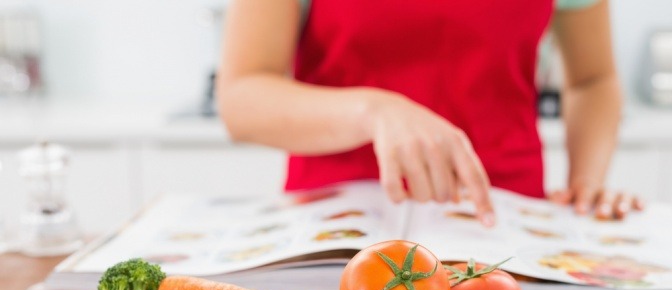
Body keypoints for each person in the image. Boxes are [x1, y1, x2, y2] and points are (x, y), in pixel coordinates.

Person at [215, 0, 642, 227]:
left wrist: (586, 181)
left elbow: (593, 80)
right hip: (334, 227)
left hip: (500, 222)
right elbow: (241, 98)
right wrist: (373, 109)